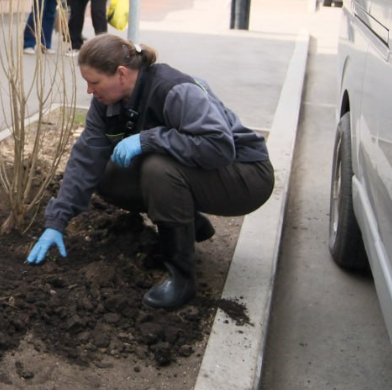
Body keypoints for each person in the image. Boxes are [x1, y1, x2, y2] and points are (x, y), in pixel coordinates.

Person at [26, 34, 275, 310]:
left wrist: (149, 139)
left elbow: (218, 147)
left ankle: (182, 278)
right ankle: (189, 223)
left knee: (158, 169)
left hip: (245, 176)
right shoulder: (107, 103)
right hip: (204, 172)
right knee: (108, 174)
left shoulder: (174, 90)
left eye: (94, 82)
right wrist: (57, 221)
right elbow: (86, 158)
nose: (89, 91)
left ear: (121, 74)